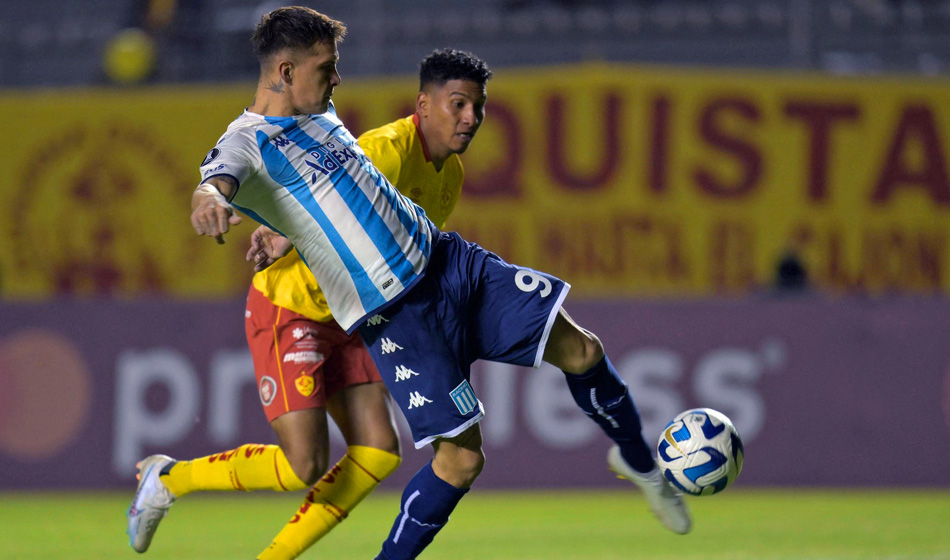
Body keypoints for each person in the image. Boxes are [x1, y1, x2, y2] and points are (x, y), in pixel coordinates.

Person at [188, 6, 690, 559]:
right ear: (284, 72)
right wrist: (211, 201)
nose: (337, 79)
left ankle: (640, 464)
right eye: (327, 67)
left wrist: (282, 234)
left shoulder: (323, 115)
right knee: (461, 460)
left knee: (583, 348)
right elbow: (219, 178)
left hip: (450, 265)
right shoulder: (247, 140)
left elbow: (338, 197)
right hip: (395, 314)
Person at [126, 47, 493, 560]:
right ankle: (168, 478)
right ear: (424, 104)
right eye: (459, 105)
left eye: (478, 108)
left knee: (378, 452)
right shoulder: (385, 149)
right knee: (305, 463)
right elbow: (321, 186)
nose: (470, 119)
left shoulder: (448, 175)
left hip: (354, 311)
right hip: (293, 304)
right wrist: (279, 235)